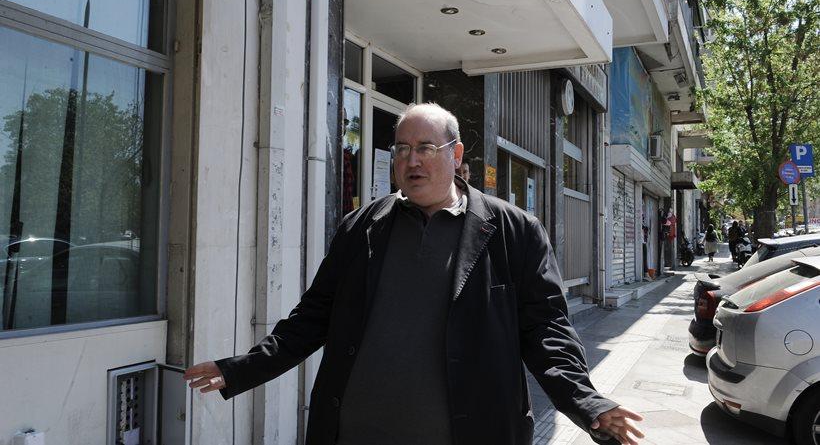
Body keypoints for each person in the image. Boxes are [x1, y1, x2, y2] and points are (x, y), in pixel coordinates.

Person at [184, 103, 644, 445]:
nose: (412, 160)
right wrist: (242, 369)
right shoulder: (362, 227)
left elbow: (547, 332)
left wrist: (586, 402)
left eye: (426, 148)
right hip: (355, 433)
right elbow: (312, 318)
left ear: (456, 154)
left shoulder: (514, 231)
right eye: (402, 149)